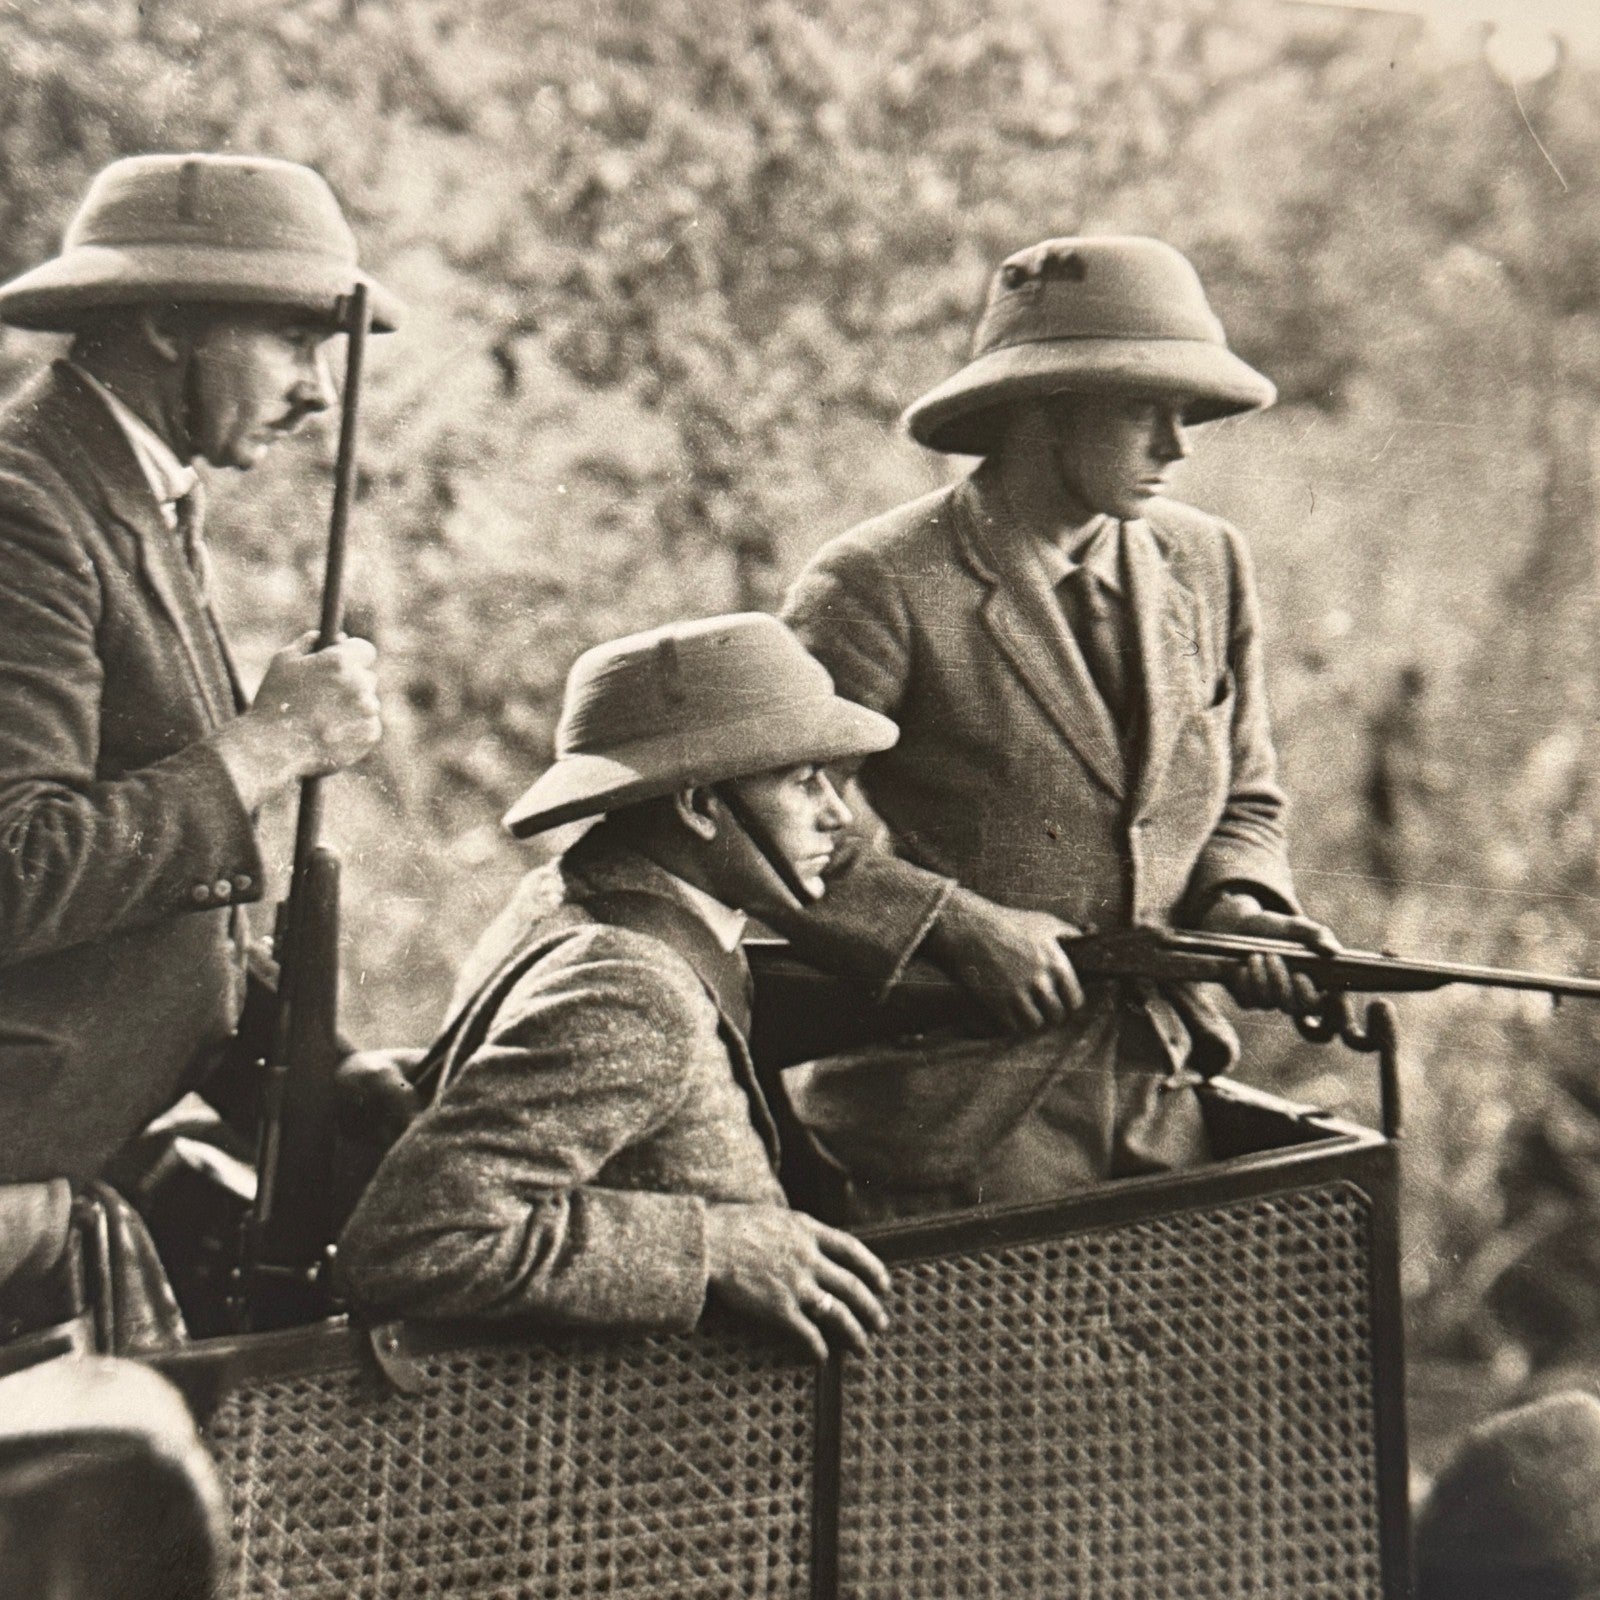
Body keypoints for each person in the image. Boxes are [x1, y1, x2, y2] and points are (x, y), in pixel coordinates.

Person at [775, 234, 1342, 1217]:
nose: (1179, 444)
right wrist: (956, 927)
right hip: (956, 1116)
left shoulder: (1205, 564)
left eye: (1187, 412)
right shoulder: (879, 583)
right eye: (1142, 409)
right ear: (1043, 406)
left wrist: (1242, 909)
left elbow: (1244, 790)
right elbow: (765, 820)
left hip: (1161, 1094)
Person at [0, 153, 400, 1342]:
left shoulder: (138, 492)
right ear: (166, 318)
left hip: (89, 1158)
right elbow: (20, 866)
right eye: (292, 340)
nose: (320, 393)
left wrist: (319, 1069)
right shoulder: (26, 507)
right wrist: (266, 747)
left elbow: (161, 911)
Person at [338, 614, 896, 1361]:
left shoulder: (569, 896)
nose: (837, 814)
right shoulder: (634, 985)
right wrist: (716, 1246)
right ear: (698, 806)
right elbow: (416, 1241)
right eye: (803, 781)